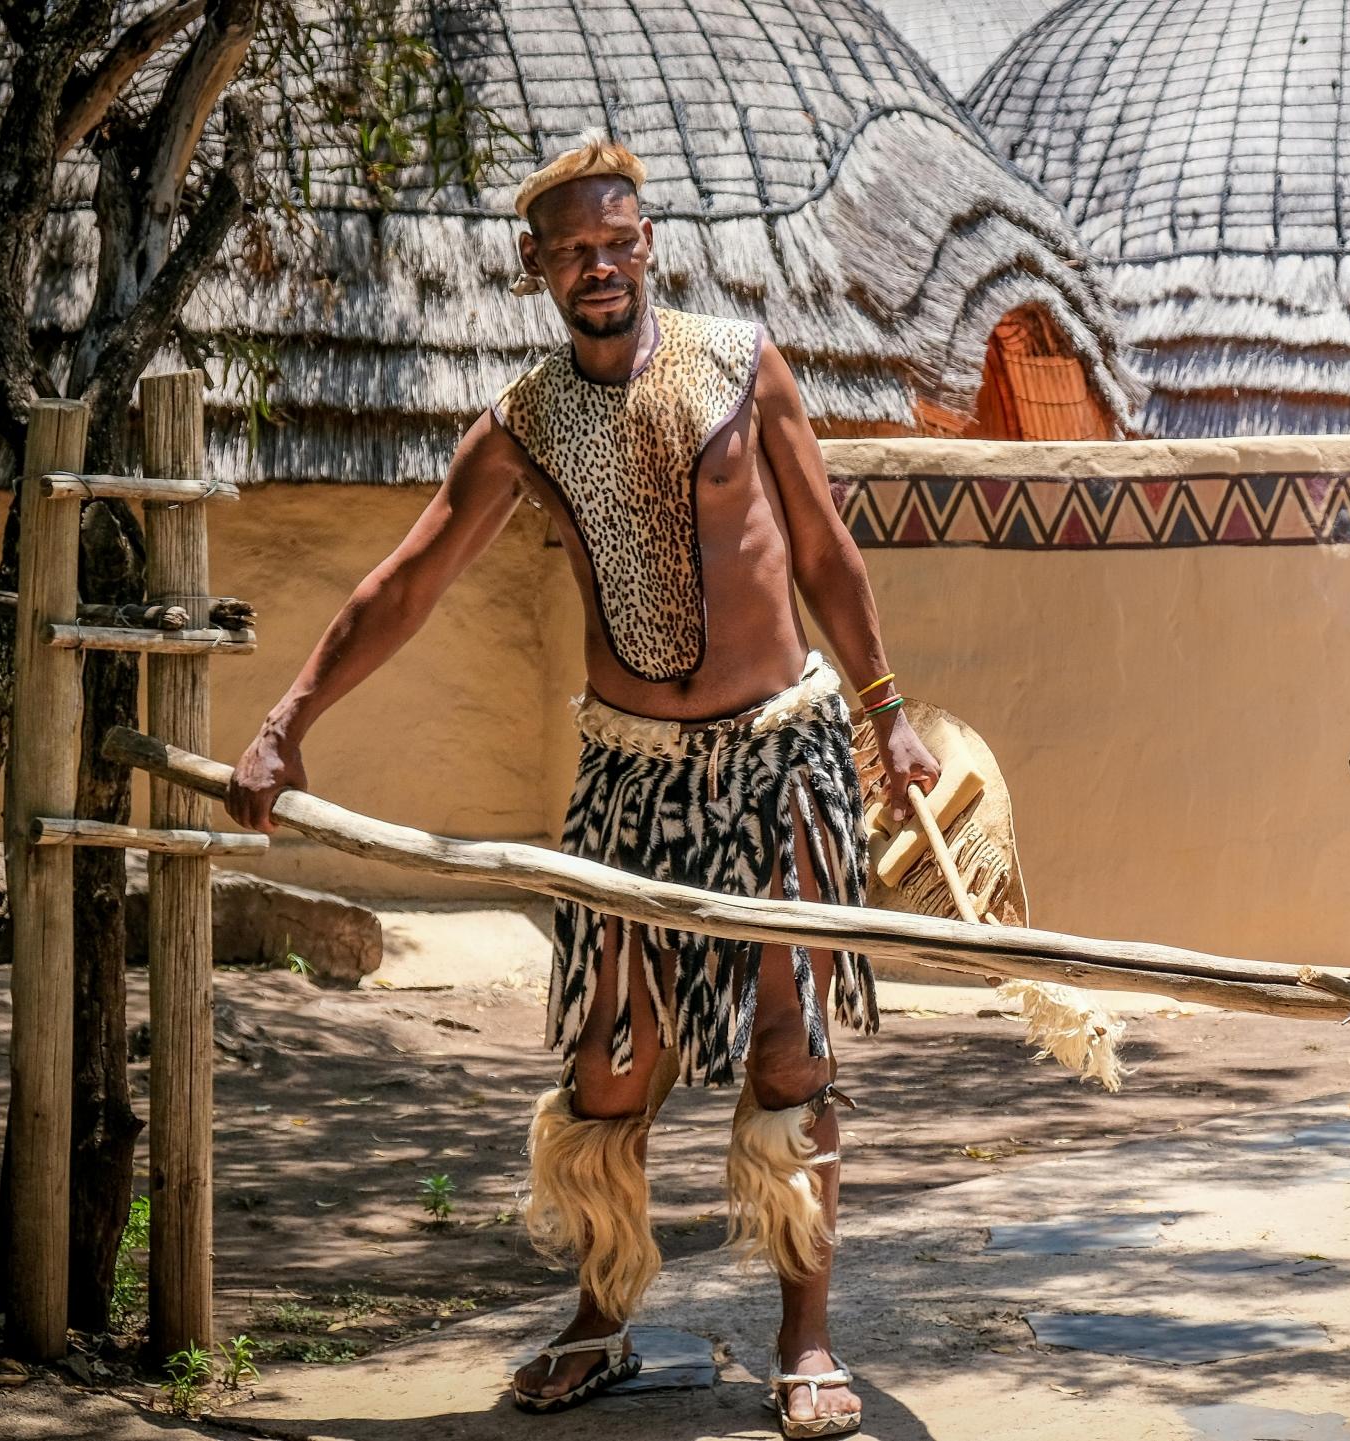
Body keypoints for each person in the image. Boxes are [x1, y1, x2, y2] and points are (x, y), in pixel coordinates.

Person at [224, 132, 936, 1438]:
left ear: (647, 242)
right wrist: (287, 718)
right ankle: (602, 1319)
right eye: (573, 251)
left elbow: (829, 556)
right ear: (537, 266)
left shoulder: (742, 366)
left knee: (791, 1048)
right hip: (631, 779)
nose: (599, 267)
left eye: (618, 242)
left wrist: (887, 714)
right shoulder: (528, 420)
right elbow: (408, 583)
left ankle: (808, 1340)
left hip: (777, 760)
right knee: (612, 1066)